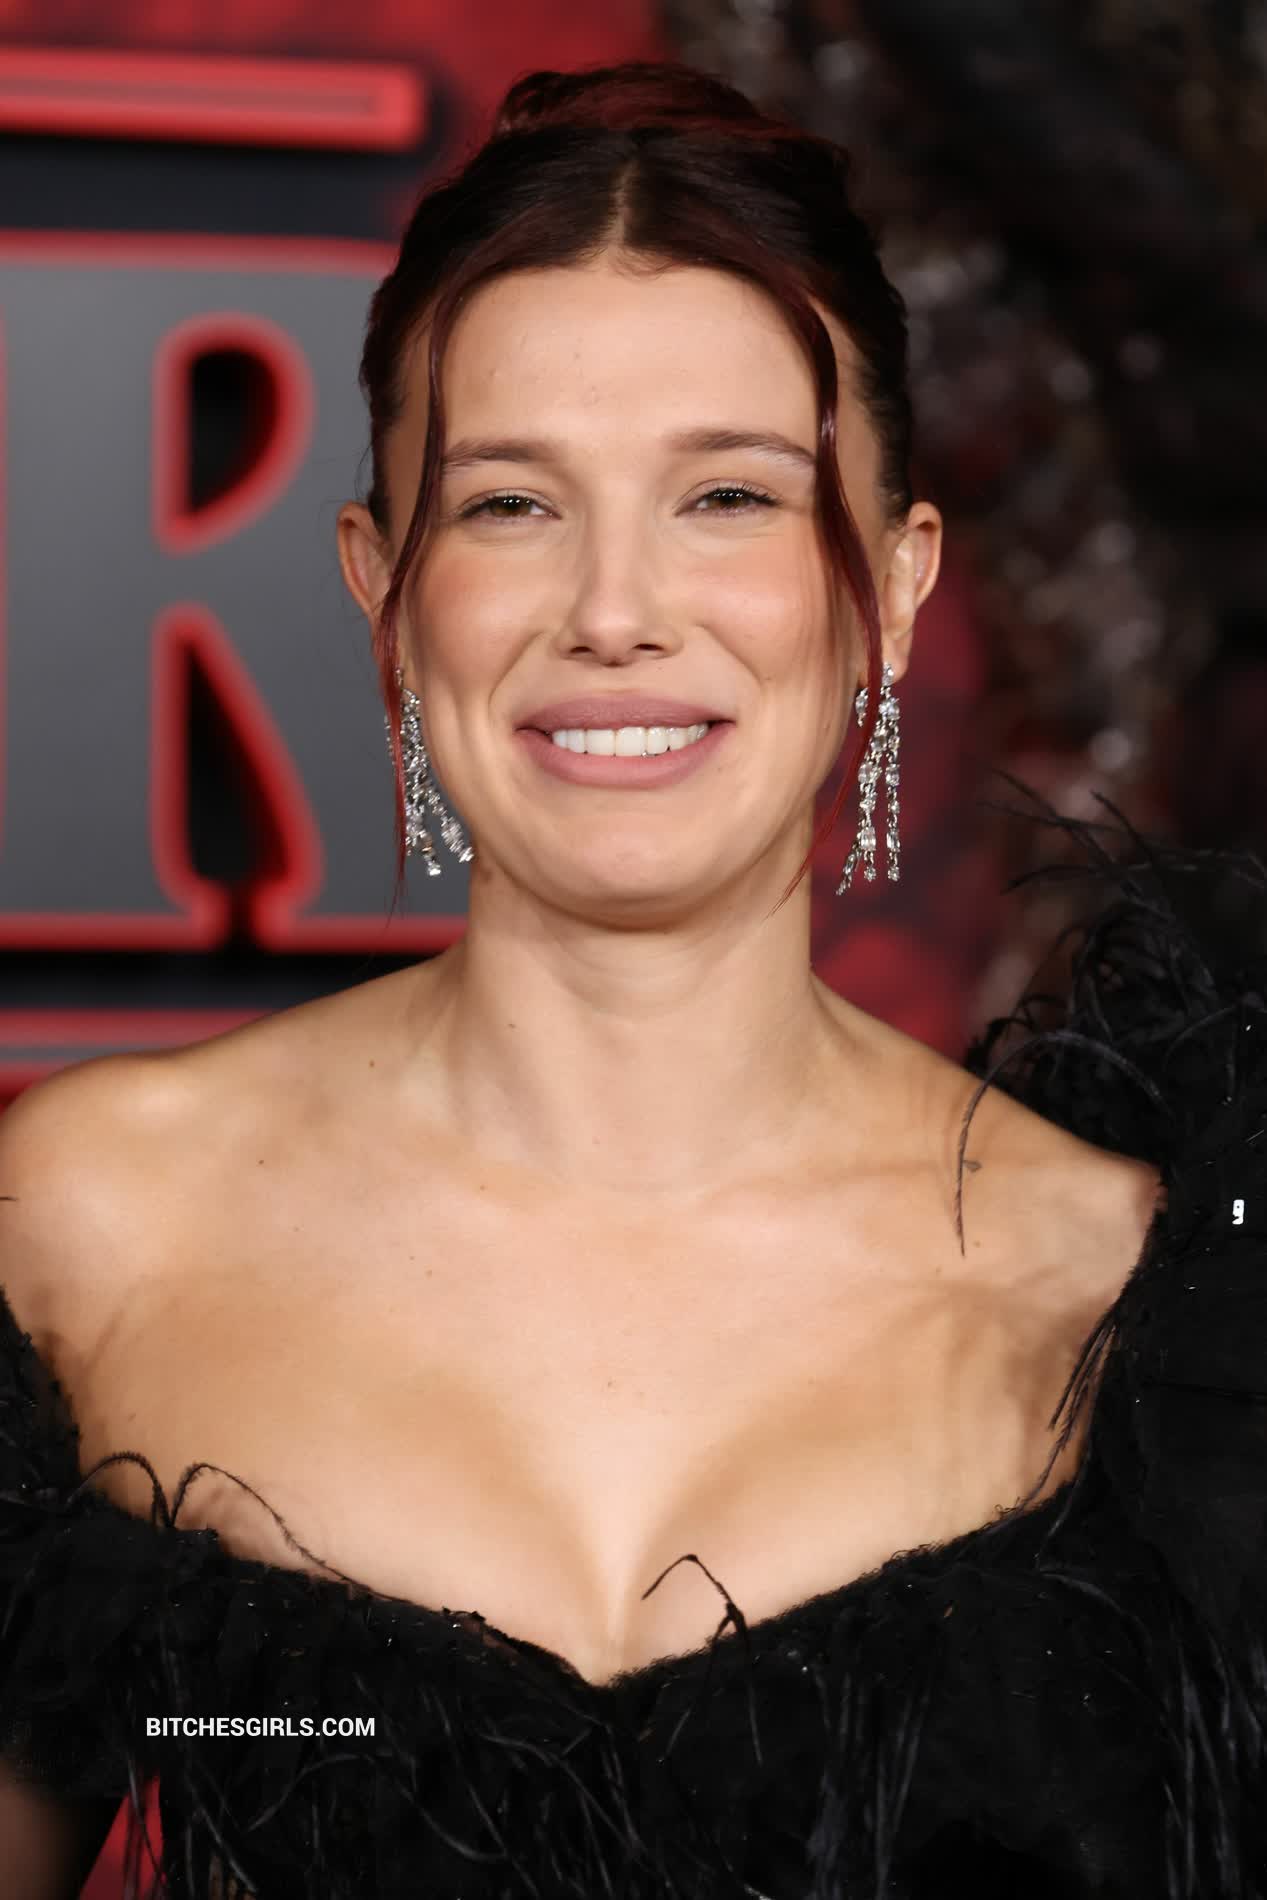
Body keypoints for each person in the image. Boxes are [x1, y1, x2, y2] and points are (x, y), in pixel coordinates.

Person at [1, 56, 1265, 1900]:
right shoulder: (87, 1227)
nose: (614, 611)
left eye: (730, 496)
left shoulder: (1129, 1294)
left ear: (896, 584)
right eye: (511, 505)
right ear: (381, 585)